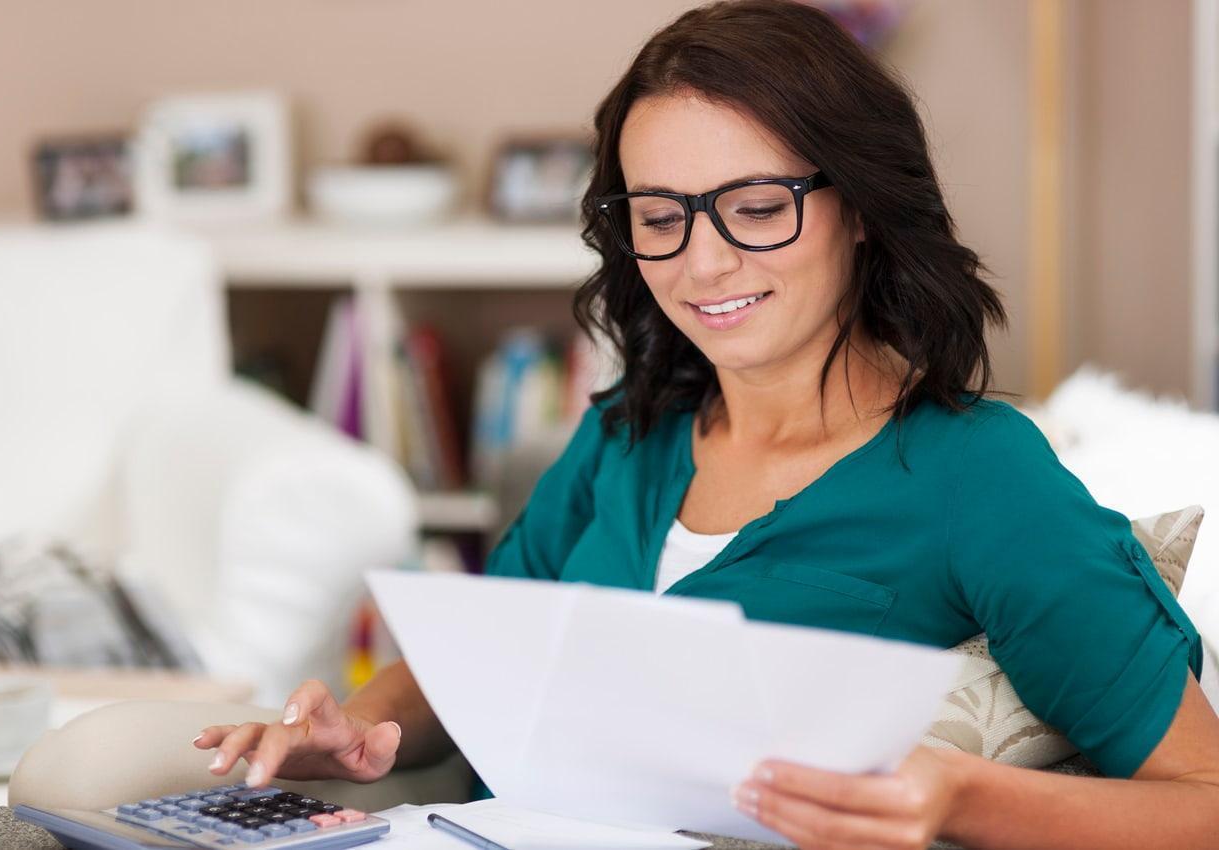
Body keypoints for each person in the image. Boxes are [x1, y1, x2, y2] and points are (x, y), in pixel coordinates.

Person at [192, 2, 1219, 847]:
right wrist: (368, 724)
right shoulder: (625, 433)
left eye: (756, 206)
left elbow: (1200, 798)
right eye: (659, 214)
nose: (702, 262)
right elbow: (481, 652)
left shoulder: (978, 476)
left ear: (858, 207)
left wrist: (958, 795)